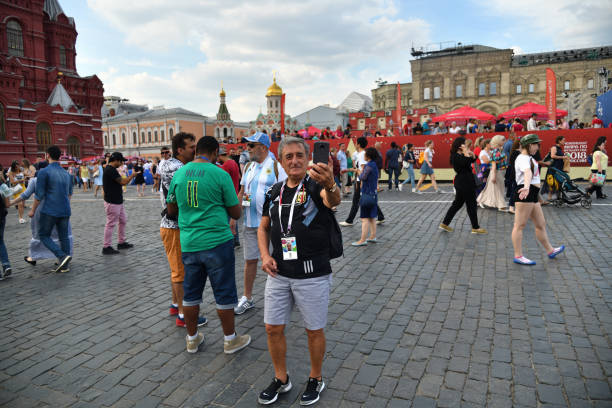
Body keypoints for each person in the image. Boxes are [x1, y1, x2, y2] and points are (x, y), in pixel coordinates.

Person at [256, 136, 341, 405]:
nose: (294, 160)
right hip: (279, 272)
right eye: (288, 156)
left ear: (307, 159)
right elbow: (263, 227)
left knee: (313, 330)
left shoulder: (316, 186)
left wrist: (330, 182)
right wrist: (265, 255)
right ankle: (281, 378)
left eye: (299, 156)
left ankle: (315, 377)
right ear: (281, 161)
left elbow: (332, 199)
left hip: (312, 273)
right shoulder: (275, 191)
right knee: (272, 328)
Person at [166, 136, 250, 354]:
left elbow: (171, 210)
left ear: (196, 152)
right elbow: (235, 212)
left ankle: (192, 339)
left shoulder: (180, 174)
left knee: (191, 294)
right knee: (224, 292)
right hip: (217, 242)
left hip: (190, 243)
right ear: (214, 153)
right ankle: (230, 340)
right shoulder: (220, 174)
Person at [235, 132, 287, 315]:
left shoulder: (276, 166)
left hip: (271, 225)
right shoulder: (248, 166)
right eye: (247, 145)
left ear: (263, 147)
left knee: (276, 259)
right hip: (250, 223)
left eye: (251, 145)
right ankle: (247, 298)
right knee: (250, 261)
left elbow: (286, 193)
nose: (247, 149)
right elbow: (242, 191)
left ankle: (282, 296)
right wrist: (234, 217)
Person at [158, 134, 207, 328]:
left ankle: (174, 304)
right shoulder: (178, 168)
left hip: (172, 225)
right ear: (180, 150)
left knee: (175, 269)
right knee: (180, 272)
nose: (195, 150)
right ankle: (182, 315)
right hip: (175, 226)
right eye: (191, 147)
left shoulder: (171, 164)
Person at [511, 134, 565, 265]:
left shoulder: (528, 157)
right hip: (525, 192)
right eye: (536, 145)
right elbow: (528, 172)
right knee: (519, 225)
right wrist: (527, 187)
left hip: (532, 193)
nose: (537, 147)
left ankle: (550, 250)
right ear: (529, 145)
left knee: (540, 224)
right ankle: (518, 256)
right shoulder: (523, 158)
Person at [12, 161, 74, 270]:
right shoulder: (64, 176)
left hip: (44, 211)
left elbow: (28, 195)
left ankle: (53, 256)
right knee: (61, 236)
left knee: (41, 235)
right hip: (62, 209)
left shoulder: (37, 179)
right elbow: (69, 194)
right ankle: (63, 261)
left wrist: (13, 204)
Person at [29, 146, 73, 273]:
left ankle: (62, 256)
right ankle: (64, 265)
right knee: (63, 237)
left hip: (50, 209)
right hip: (65, 208)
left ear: (47, 155)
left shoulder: (44, 172)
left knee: (43, 235)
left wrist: (32, 210)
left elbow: (39, 195)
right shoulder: (67, 173)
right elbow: (69, 194)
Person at [439, 137, 487, 234]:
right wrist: (466, 153)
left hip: (464, 181)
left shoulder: (459, 155)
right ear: (460, 145)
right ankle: (475, 227)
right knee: (471, 205)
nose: (465, 146)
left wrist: (471, 154)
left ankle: (445, 223)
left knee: (457, 204)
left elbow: (473, 160)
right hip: (464, 182)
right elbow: (466, 162)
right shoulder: (455, 156)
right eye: (464, 144)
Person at [339, 137, 385, 227]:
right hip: (360, 180)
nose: (355, 144)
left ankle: (349, 220)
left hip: (361, 181)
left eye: (356, 143)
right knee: (363, 200)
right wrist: (348, 170)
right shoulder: (362, 154)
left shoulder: (361, 154)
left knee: (356, 201)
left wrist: (360, 183)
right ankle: (380, 216)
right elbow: (359, 169)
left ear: (359, 144)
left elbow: (363, 170)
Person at [102, 152, 139, 255]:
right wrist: (132, 175)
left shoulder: (112, 169)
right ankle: (106, 246)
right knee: (110, 224)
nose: (122, 163)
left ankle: (121, 242)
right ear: (116, 160)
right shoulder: (110, 170)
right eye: (121, 161)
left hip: (118, 200)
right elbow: (123, 182)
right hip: (112, 201)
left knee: (123, 220)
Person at [351, 147, 379, 246]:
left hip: (367, 193)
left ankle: (362, 240)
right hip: (374, 194)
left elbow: (362, 177)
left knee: (364, 218)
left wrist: (358, 171)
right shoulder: (374, 165)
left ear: (368, 155)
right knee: (372, 217)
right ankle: (372, 236)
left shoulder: (368, 166)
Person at [477, 135, 509, 211]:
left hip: (501, 172)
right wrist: (493, 176)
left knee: (490, 188)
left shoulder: (499, 150)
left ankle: (479, 200)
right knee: (499, 188)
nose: (504, 141)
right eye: (503, 140)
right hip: (497, 172)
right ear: (498, 142)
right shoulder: (495, 152)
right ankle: (501, 206)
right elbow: (494, 165)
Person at [218, 147, 241, 247]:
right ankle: (236, 240)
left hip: (229, 194)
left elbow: (221, 176)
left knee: (229, 219)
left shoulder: (226, 165)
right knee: (233, 218)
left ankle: (232, 239)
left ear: (219, 156)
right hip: (235, 191)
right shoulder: (233, 162)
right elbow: (239, 177)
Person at [0, 187, 11, 279]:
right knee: (0, 241)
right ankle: (6, 265)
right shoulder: (2, 185)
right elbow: (7, 204)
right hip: (1, 216)